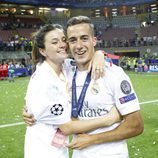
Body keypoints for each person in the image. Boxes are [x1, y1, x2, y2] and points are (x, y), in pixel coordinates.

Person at [24, 23, 121, 158]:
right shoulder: (43, 81)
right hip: (43, 151)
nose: (63, 44)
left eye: (63, 40)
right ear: (43, 51)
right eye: (54, 42)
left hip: (59, 149)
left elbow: (86, 57)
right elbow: (67, 127)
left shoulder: (66, 67)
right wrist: (110, 118)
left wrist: (99, 54)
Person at [64, 16, 144, 158]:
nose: (78, 45)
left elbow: (136, 125)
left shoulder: (114, 73)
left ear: (94, 41)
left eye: (84, 38)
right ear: (68, 44)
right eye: (73, 40)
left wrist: (92, 139)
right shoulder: (65, 73)